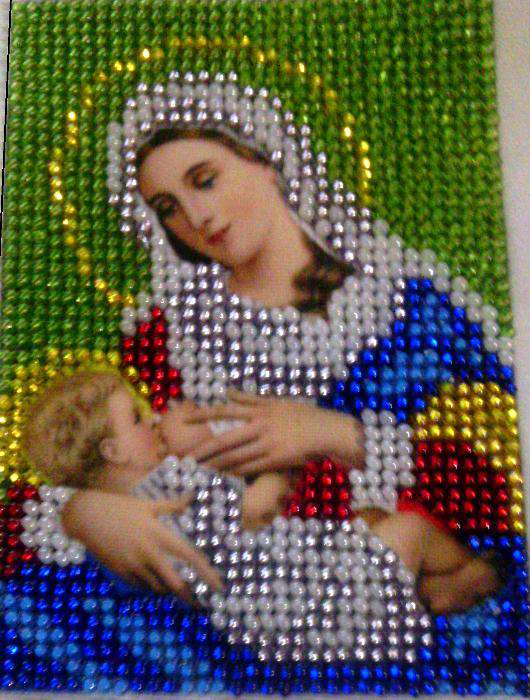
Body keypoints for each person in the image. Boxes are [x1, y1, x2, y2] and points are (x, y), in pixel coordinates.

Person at [23, 70, 514, 608]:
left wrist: (337, 435)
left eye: (204, 180)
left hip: (383, 577)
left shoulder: (406, 307)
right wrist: (84, 513)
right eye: (167, 208)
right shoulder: (166, 340)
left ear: (265, 160)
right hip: (233, 594)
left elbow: (502, 459)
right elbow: (86, 456)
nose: (197, 217)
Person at [21, 368, 501, 621]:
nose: (152, 421)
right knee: (409, 530)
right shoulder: (167, 490)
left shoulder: (128, 516)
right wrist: (278, 469)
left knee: (371, 521)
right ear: (113, 451)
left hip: (283, 578)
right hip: (293, 601)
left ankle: (425, 590)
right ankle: (465, 574)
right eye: (136, 419)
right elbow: (254, 512)